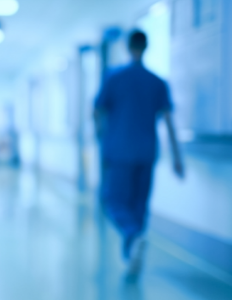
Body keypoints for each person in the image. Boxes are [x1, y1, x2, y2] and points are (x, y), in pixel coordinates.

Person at [93, 30, 184, 275]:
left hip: (119, 151)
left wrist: (101, 136)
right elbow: (168, 121)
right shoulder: (157, 82)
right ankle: (132, 253)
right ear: (146, 47)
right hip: (146, 152)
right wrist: (177, 157)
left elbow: (98, 111)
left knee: (113, 201)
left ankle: (132, 237)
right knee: (139, 206)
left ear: (127, 47)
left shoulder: (113, 78)